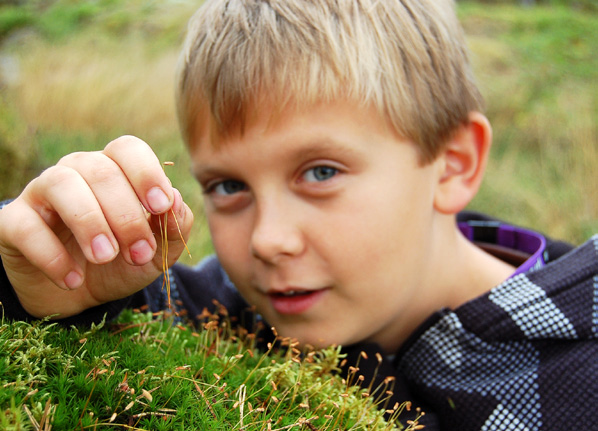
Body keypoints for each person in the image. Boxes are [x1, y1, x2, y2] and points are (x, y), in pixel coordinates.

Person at [0, 1, 596, 429]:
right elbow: (110, 304)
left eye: (320, 173)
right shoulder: (232, 312)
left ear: (452, 164)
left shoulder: (584, 380)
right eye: (229, 185)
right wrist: (45, 273)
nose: (269, 241)